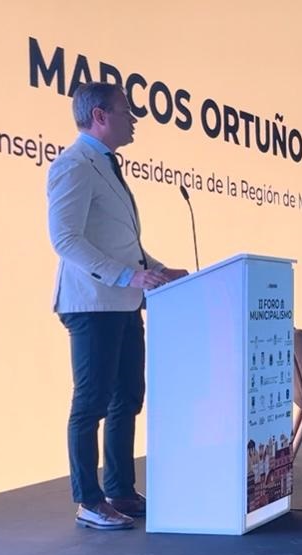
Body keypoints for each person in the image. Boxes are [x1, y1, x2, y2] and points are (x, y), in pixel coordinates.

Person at [48, 82, 188, 531]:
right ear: (100, 116)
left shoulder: (106, 164)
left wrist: (157, 270)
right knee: (91, 402)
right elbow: (65, 239)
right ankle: (89, 501)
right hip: (93, 304)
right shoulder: (74, 164)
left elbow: (120, 242)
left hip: (124, 303)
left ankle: (120, 491)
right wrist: (128, 276)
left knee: (126, 396)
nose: (134, 121)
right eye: (127, 112)